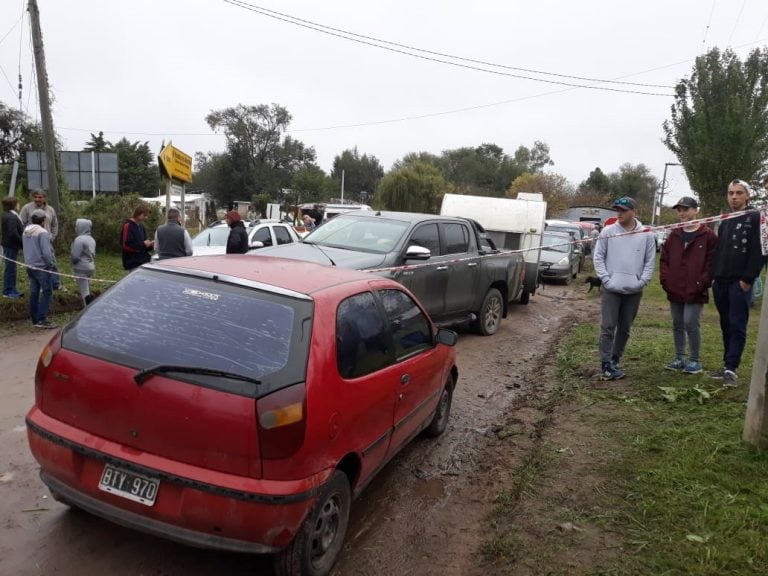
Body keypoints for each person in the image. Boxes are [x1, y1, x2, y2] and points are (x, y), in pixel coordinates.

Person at [593, 196, 656, 380]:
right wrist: (606, 279)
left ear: (633, 212)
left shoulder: (647, 234)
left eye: (623, 210)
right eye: (617, 210)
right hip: (612, 288)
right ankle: (605, 363)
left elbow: (650, 261)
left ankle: (615, 359)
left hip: (634, 290)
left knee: (625, 327)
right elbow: (599, 257)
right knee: (608, 326)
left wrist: (642, 281)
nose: (619, 213)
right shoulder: (608, 232)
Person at [710, 179, 763, 387]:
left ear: (747, 196)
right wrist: (714, 275)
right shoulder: (726, 219)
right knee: (725, 323)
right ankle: (726, 364)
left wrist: (747, 278)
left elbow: (759, 251)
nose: (734, 197)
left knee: (737, 323)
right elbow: (719, 249)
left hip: (739, 281)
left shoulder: (755, 217)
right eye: (731, 193)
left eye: (738, 193)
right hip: (721, 280)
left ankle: (732, 368)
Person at [660, 197, 717, 375]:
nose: (682, 213)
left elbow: (712, 263)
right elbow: (664, 259)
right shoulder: (674, 235)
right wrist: (666, 280)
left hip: (695, 288)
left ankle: (695, 360)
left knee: (690, 322)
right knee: (677, 323)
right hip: (675, 287)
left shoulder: (708, 235)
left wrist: (702, 282)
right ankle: (679, 357)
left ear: (695, 210)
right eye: (679, 210)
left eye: (685, 209)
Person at [19, 189, 62, 290]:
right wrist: (26, 236)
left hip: (47, 239)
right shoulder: (27, 208)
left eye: (40, 197)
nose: (37, 199)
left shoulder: (50, 209)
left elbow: (55, 224)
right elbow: (21, 223)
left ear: (44, 198)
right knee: (36, 263)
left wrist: (53, 236)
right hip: (33, 241)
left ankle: (56, 284)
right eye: (35, 197)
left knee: (51, 261)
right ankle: (38, 284)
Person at [22, 209, 56, 328]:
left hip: (29, 265)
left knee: (34, 292)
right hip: (42, 267)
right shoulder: (42, 232)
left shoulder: (25, 231)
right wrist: (50, 264)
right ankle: (41, 319)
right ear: (43, 220)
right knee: (47, 292)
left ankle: (34, 318)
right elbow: (46, 252)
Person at [1, 196, 24, 299]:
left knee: (12, 268)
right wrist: (21, 242)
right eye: (18, 204)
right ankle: (8, 291)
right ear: (14, 205)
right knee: (10, 268)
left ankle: (12, 288)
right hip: (11, 245)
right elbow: (12, 233)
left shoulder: (6, 215)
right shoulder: (12, 217)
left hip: (8, 244)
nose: (19, 206)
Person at [70, 218, 96, 305]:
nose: (75, 228)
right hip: (90, 267)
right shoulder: (91, 239)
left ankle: (88, 309)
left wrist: (72, 262)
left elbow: (75, 256)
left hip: (81, 268)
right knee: (86, 288)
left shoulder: (79, 239)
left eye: (77, 226)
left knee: (85, 292)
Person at [121, 204, 154, 270]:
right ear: (138, 213)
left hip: (143, 261)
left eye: (147, 216)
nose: (146, 218)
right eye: (144, 215)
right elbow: (125, 246)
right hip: (133, 262)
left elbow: (143, 246)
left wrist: (150, 245)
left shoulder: (142, 227)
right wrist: (143, 244)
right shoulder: (128, 226)